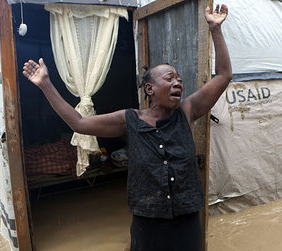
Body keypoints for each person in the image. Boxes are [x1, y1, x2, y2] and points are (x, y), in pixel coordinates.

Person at [23, 4, 231, 251]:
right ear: (150, 89)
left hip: (187, 217)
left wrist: (215, 29)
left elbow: (223, 75)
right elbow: (78, 123)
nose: (177, 82)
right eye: (169, 79)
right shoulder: (129, 119)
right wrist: (45, 84)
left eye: (179, 80)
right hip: (148, 221)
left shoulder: (187, 111)